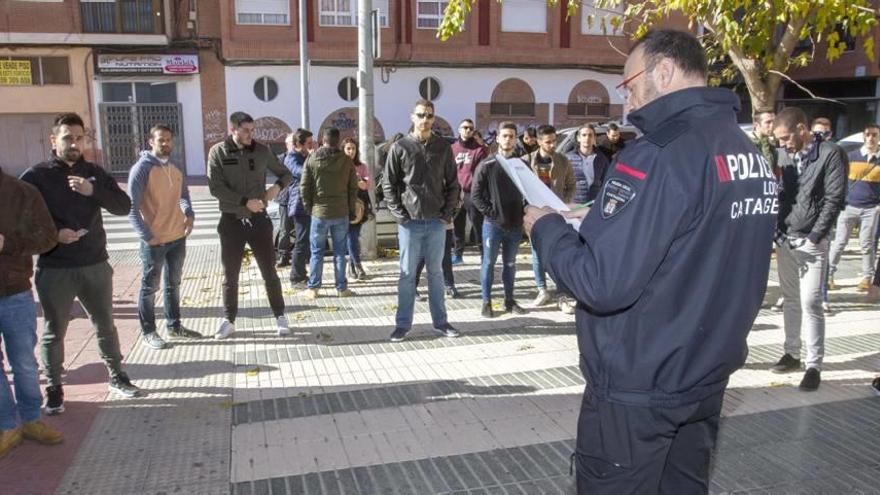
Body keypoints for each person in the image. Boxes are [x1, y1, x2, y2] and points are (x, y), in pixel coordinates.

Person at [523, 30, 776, 493]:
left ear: (664, 71)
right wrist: (594, 218)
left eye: (631, 83)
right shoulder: (745, 151)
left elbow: (602, 282)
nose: (628, 98)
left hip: (640, 384)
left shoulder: (657, 154)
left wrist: (546, 230)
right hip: (704, 374)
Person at [21, 112, 142, 415]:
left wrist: (94, 192)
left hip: (94, 265)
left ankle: (117, 375)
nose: (74, 143)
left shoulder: (95, 173)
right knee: (54, 330)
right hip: (55, 267)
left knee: (105, 325)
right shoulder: (36, 176)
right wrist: (53, 235)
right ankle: (54, 387)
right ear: (53, 140)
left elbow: (123, 206)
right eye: (67, 138)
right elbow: (19, 218)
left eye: (79, 138)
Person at [771, 106, 847, 391]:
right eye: (779, 140)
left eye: (787, 138)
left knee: (810, 302)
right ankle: (792, 353)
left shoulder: (830, 153)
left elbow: (835, 198)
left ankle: (814, 365)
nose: (783, 144)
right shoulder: (783, 153)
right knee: (790, 299)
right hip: (785, 237)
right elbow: (781, 192)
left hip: (811, 241)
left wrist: (816, 236)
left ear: (802, 129)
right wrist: (777, 230)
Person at [207, 111, 294, 339]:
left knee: (269, 272)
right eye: (245, 130)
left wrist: (276, 188)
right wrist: (246, 202)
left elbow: (286, 174)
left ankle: (280, 316)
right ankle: (229, 320)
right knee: (230, 275)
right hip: (231, 222)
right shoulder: (218, 152)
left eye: (252, 130)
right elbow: (216, 188)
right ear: (233, 129)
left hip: (259, 223)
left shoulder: (262, 151)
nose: (250, 134)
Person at [382, 99, 461, 342]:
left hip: (436, 222)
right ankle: (402, 325)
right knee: (407, 275)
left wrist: (447, 215)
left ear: (433, 118)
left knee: (436, 274)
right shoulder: (401, 147)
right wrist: (400, 216)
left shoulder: (443, 147)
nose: (425, 119)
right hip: (410, 223)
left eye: (429, 115)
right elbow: (388, 184)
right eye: (420, 114)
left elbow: (453, 184)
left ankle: (441, 322)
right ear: (412, 117)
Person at [0, 167, 63, 458]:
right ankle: (7, 424)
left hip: (14, 292)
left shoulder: (21, 191)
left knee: (24, 361)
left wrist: (9, 243)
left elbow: (48, 237)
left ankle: (31, 419)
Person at [127, 124, 199, 350]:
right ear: (151, 142)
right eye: (161, 140)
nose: (166, 143)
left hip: (178, 237)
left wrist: (189, 214)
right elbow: (131, 208)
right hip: (154, 242)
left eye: (169, 139)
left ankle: (174, 325)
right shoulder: (141, 169)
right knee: (149, 288)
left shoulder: (176, 168)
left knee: (173, 284)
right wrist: (147, 235)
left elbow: (184, 195)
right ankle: (149, 332)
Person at [471, 121, 528, 318]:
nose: (508, 139)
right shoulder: (487, 164)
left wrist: (524, 213)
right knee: (488, 264)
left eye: (512, 136)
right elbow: (475, 195)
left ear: (516, 139)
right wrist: (491, 213)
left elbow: (530, 193)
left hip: (515, 226)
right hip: (493, 225)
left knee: (510, 264)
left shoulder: (522, 165)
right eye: (504, 136)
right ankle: (486, 302)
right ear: (497, 138)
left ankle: (509, 300)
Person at [299, 128, 358, 299]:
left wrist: (309, 207)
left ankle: (313, 288)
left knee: (317, 251)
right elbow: (352, 188)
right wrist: (351, 210)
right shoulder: (346, 161)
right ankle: (341, 288)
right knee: (340, 251)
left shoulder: (312, 158)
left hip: (319, 211)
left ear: (322, 140)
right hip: (341, 212)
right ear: (338, 141)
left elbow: (305, 186)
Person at [560, 123, 610, 314]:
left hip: (593, 211)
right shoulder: (567, 158)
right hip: (572, 209)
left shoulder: (602, 159)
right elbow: (561, 184)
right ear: (578, 138)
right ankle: (565, 296)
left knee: (589, 253)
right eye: (583, 135)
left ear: (594, 138)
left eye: (590, 135)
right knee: (570, 252)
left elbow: (607, 183)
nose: (587, 138)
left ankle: (584, 294)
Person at [524, 124, 575, 307]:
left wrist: (563, 205)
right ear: (538, 141)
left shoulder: (562, 161)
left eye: (554, 141)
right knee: (537, 253)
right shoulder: (527, 162)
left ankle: (563, 295)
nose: (552, 145)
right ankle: (542, 290)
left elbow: (571, 185)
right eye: (548, 142)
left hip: (557, 215)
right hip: (537, 214)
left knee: (558, 253)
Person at [828, 123, 879, 293]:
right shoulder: (851, 156)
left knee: (867, 245)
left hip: (871, 208)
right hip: (848, 206)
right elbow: (840, 179)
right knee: (839, 242)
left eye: (874, 134)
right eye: (868, 134)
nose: (871, 138)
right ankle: (828, 275)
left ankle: (867, 278)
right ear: (864, 137)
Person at [280, 129, 315, 286]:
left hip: (308, 203)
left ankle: (303, 274)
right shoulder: (291, 158)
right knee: (301, 241)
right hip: (299, 204)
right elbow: (302, 172)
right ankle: (296, 277)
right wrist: (314, 158)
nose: (312, 146)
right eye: (308, 143)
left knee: (306, 240)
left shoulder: (304, 156)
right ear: (298, 144)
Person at [451, 118, 488, 263]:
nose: (468, 130)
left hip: (472, 194)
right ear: (459, 130)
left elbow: (483, 173)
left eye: (471, 128)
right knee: (457, 226)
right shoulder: (452, 149)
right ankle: (458, 255)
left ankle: (484, 254)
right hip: (456, 193)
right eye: (465, 127)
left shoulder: (479, 150)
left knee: (478, 225)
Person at [341, 137, 373, 280]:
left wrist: (355, 179)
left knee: (354, 236)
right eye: (348, 148)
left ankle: (352, 266)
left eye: (353, 148)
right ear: (343, 150)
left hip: (359, 207)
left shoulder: (361, 166)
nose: (351, 151)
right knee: (351, 237)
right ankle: (358, 265)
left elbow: (366, 185)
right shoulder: (339, 165)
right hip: (343, 206)